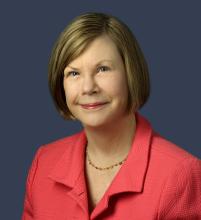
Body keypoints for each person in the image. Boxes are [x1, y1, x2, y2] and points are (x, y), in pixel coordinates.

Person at [22, 12, 201, 220]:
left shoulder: (180, 175)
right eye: (74, 73)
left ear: (130, 73)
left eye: (103, 69)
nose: (88, 88)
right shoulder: (44, 162)